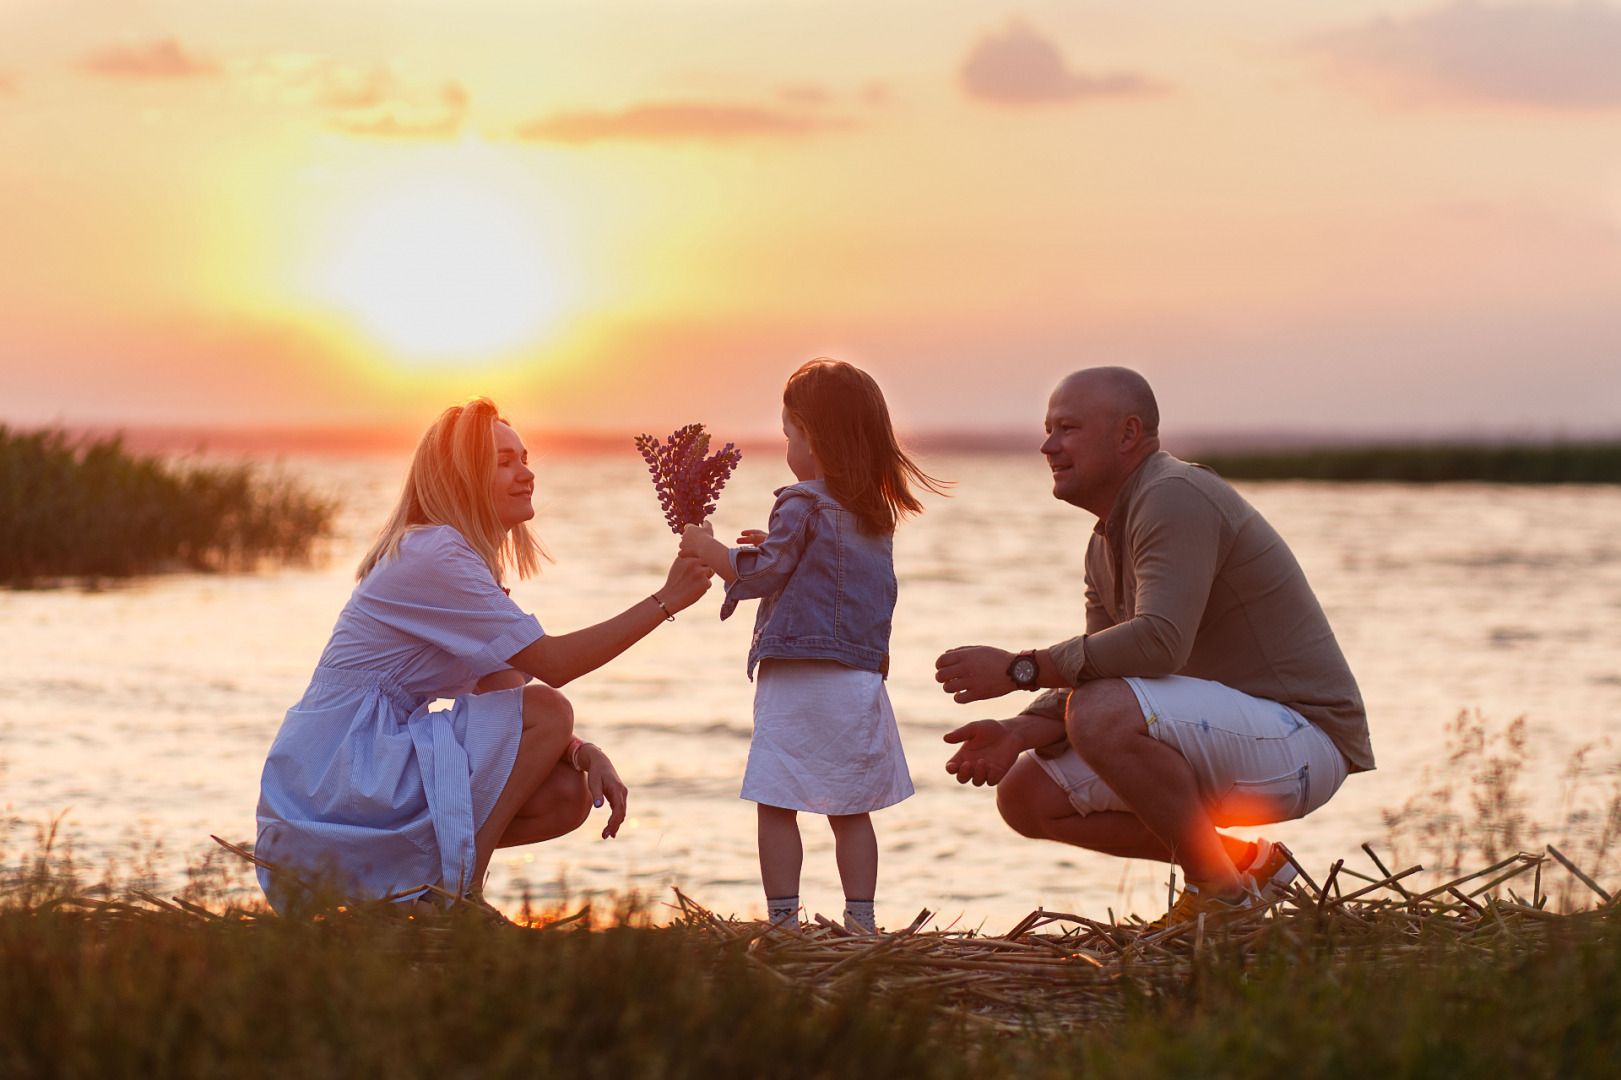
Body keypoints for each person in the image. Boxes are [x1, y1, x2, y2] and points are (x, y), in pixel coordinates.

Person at [934, 367, 1373, 926]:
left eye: (1067, 428)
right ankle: (1245, 867)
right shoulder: (1104, 542)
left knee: (1101, 712)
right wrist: (1016, 733)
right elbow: (1098, 670)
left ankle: (1221, 898)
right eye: (1047, 429)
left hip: (1305, 739)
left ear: (1128, 433)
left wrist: (1021, 668)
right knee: (1025, 794)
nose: (1048, 446)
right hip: (1226, 735)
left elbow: (1159, 644)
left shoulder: (1174, 496)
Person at [255, 397, 712, 913]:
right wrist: (666, 600)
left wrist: (585, 753)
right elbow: (553, 671)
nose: (526, 473)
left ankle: (416, 897)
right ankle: (457, 894)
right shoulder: (435, 554)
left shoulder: (466, 568)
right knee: (551, 710)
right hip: (333, 776)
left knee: (569, 794)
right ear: (461, 480)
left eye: (524, 457)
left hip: (362, 771)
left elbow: (508, 699)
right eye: (503, 462)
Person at [679, 359, 947, 933]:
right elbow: (824, 573)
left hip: (798, 678)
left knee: (777, 799)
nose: (787, 449)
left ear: (813, 437)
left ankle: (782, 922)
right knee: (851, 809)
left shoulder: (800, 500)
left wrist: (710, 549)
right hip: (856, 679)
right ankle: (862, 921)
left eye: (788, 435)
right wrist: (767, 546)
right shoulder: (875, 512)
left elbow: (763, 576)